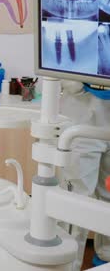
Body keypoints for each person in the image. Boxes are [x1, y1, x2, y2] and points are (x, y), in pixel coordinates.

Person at [59, 80, 110, 270]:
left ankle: (106, 257)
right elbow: (63, 66)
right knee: (78, 199)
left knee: (109, 194)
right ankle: (70, 263)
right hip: (83, 114)